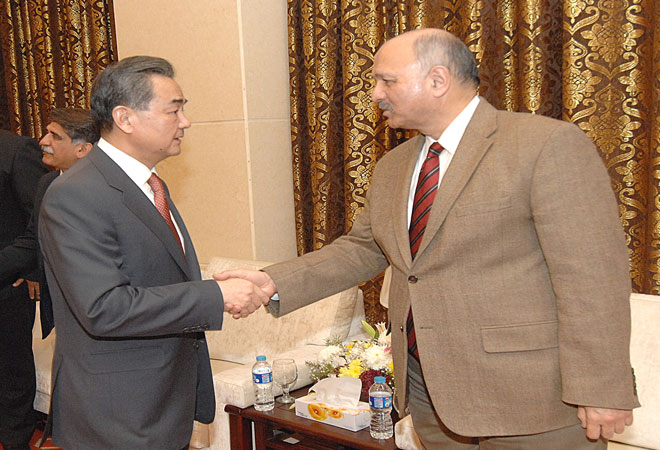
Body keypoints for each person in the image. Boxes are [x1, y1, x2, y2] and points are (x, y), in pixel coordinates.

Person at [216, 29, 639, 448]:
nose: (376, 93)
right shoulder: (394, 166)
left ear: (438, 80)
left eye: (387, 80)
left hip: (531, 400)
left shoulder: (544, 145)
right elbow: (364, 247)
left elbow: (592, 277)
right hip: (428, 395)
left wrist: (602, 387)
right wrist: (272, 282)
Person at [38, 56, 269, 450]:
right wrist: (215, 295)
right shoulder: (76, 194)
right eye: (174, 109)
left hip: (158, 404)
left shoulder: (146, 182)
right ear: (125, 118)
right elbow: (104, 308)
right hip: (117, 414)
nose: (186, 122)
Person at [0, 108, 99, 340]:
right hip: (60, 306)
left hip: (97, 306)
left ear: (83, 149)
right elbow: (33, 240)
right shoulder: (48, 182)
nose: (43, 142)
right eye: (47, 133)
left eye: (55, 136)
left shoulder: (105, 188)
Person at [0, 129, 48, 450]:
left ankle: (15, 442)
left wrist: (31, 269)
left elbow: (40, 215)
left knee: (11, 368)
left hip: (9, 279)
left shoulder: (17, 150)